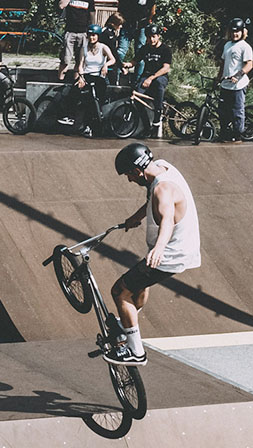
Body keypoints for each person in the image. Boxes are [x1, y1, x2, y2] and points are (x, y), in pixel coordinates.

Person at [109, 143, 200, 366]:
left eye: (129, 176)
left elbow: (167, 218)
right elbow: (153, 203)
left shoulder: (162, 189)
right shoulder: (161, 167)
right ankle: (126, 323)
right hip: (180, 248)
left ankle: (135, 351)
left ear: (136, 171)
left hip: (169, 254)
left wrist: (159, 248)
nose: (130, 181)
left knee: (120, 292)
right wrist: (136, 217)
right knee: (139, 284)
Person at [56, 24, 115, 134]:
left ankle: (96, 122)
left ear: (98, 36)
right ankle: (70, 116)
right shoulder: (84, 48)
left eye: (94, 35)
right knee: (75, 91)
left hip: (98, 76)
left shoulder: (103, 47)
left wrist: (106, 65)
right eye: (90, 35)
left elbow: (113, 59)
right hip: (87, 74)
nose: (92, 38)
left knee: (97, 97)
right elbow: (81, 64)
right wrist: (81, 77)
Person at [122, 24, 170, 129]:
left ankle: (158, 112)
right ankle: (147, 126)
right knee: (137, 97)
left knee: (158, 83)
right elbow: (134, 61)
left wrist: (151, 78)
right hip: (146, 76)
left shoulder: (165, 49)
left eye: (153, 36)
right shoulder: (145, 48)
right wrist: (127, 65)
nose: (151, 39)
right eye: (148, 37)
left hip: (160, 76)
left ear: (158, 36)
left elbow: (166, 68)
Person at [217, 18, 253, 142]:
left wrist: (238, 75)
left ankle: (238, 135)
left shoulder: (245, 47)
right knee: (223, 111)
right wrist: (218, 78)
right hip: (226, 84)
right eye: (232, 31)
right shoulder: (227, 45)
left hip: (238, 85)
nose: (234, 34)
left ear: (243, 32)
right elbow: (222, 64)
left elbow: (249, 65)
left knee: (237, 111)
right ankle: (224, 134)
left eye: (237, 31)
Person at [116, 0, 155, 83]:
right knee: (120, 51)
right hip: (127, 25)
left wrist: (148, 20)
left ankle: (137, 82)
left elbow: (152, 9)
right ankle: (115, 78)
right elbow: (120, 7)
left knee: (140, 54)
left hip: (142, 26)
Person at [57, 0, 95, 80]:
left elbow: (92, 14)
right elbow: (60, 6)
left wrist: (91, 30)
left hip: (83, 32)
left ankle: (76, 81)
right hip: (70, 31)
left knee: (80, 60)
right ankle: (60, 80)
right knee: (65, 59)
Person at [101, 13, 124, 85]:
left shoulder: (107, 31)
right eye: (119, 24)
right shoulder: (108, 34)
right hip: (106, 61)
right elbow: (113, 51)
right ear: (113, 24)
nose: (121, 26)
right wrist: (121, 66)